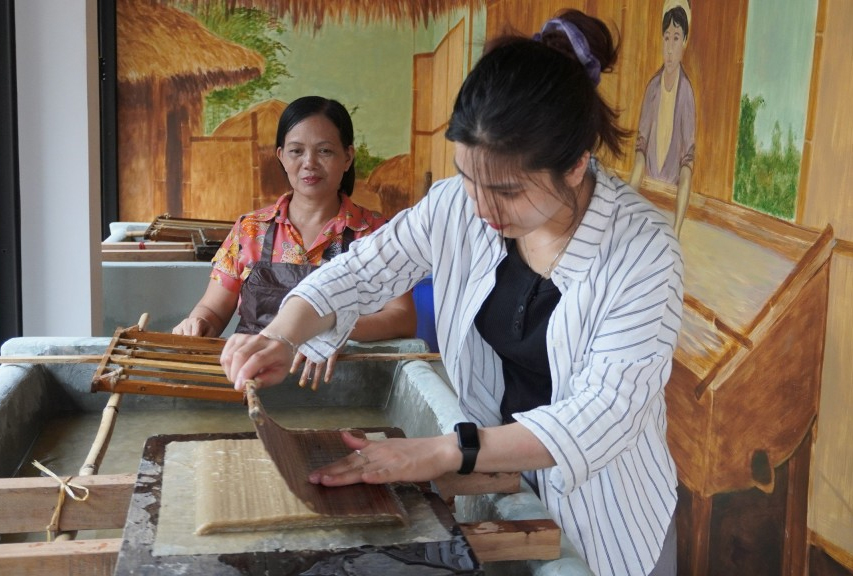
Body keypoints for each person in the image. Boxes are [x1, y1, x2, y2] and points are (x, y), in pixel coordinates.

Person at [221, 11, 683, 576]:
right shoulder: (456, 205)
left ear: (575, 166)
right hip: (503, 479)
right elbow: (361, 270)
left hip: (610, 514)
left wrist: (444, 450)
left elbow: (604, 413)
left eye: (507, 191)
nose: (482, 207)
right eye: (468, 177)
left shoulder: (641, 251)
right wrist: (282, 334)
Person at [174, 96, 417, 386]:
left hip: (341, 385)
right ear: (281, 156)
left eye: (324, 151)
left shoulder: (375, 232)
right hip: (251, 381)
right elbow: (213, 310)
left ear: (347, 157)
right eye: (296, 151)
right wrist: (198, 323)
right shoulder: (250, 229)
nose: (309, 163)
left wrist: (332, 329)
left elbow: (402, 317)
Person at [629, 0, 695, 238]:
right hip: (646, 190)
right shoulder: (652, 89)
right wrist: (628, 202)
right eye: (666, 38)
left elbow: (687, 162)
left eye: (676, 38)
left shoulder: (686, 93)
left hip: (671, 196)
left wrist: (676, 229)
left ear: (685, 41)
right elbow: (641, 149)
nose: (669, 48)